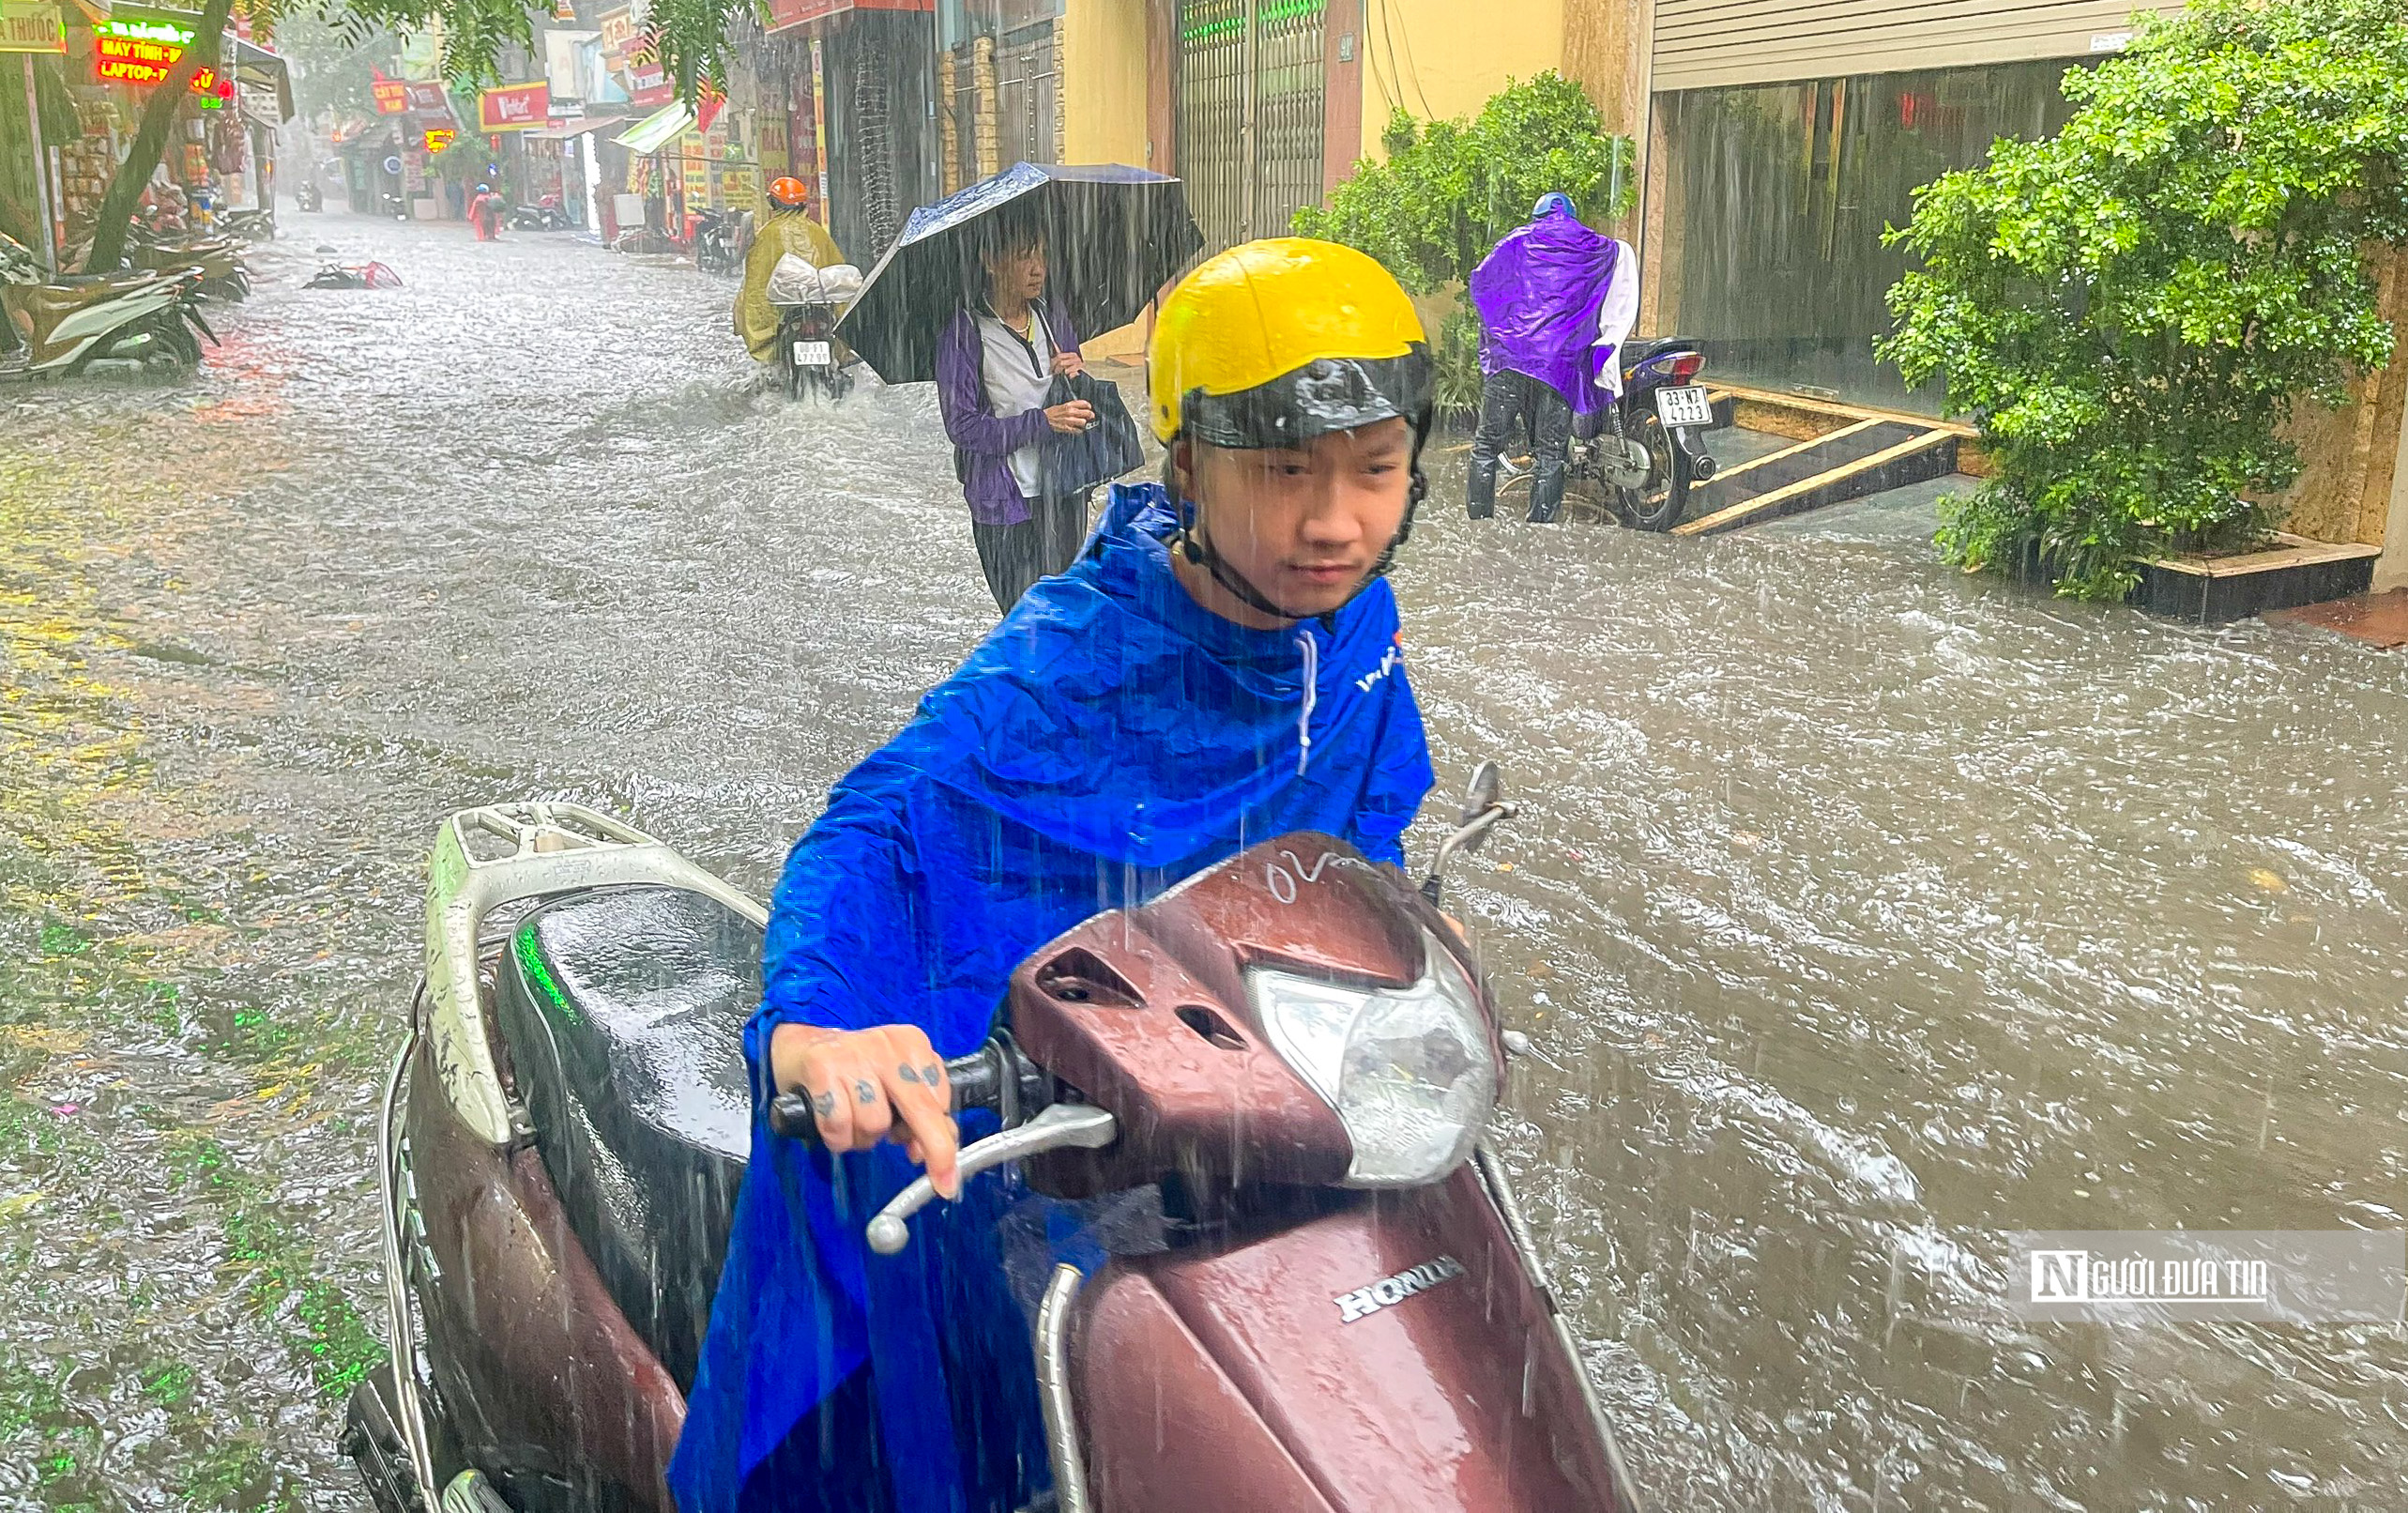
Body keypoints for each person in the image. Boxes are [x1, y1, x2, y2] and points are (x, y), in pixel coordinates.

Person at [669, 237, 1440, 1513]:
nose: (1335, 521)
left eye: (1374, 471)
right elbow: (879, 823)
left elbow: (1364, 848)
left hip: (1259, 1132)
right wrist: (820, 1021)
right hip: (1042, 1145)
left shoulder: (1353, 630)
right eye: (1286, 470)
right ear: (1187, 463)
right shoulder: (1067, 657)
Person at [933, 212, 1097, 613]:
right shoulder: (965, 332)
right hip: (1004, 505)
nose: (1038, 268)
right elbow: (963, 427)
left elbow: (1082, 406)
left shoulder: (1051, 315)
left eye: (1041, 254)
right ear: (990, 261)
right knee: (1023, 619)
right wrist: (1041, 422)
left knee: (1063, 614)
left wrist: (1079, 375)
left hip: (1062, 492)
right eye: (1025, 256)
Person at [1465, 191, 1639, 523]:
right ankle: (1540, 531)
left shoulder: (1517, 242)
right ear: (1572, 216)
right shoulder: (1594, 247)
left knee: (1487, 445)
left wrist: (1500, 327)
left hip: (1511, 360)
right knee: (1550, 454)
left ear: (1537, 215)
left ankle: (1479, 527)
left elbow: (1481, 282)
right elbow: (1621, 259)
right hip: (1560, 366)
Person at [736, 176, 846, 361]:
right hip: (818, 307)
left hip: (786, 312)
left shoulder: (766, 234)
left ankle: (773, 362)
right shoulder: (818, 232)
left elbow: (756, 284)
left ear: (773, 203)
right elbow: (837, 268)